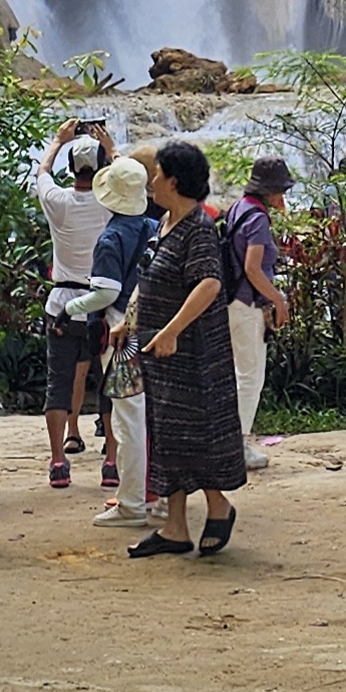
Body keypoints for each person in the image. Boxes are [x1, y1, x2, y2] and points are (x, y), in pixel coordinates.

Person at [129, 139, 244, 558]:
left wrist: (172, 331)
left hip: (193, 356)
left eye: (157, 174)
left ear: (174, 182)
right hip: (161, 355)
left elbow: (209, 283)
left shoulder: (197, 228)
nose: (152, 181)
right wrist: (131, 321)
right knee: (166, 435)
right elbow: (149, 279)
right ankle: (175, 527)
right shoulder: (163, 223)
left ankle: (218, 505)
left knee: (196, 433)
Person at [34, 120, 115, 492]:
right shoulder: (111, 204)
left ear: (71, 169)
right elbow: (130, 184)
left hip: (63, 306)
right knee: (110, 384)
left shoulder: (58, 203)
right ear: (101, 168)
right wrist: (111, 149)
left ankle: (58, 462)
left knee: (58, 384)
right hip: (104, 306)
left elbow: (42, 173)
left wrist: (58, 140)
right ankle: (111, 461)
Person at [80, 156, 160, 526]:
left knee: (128, 418)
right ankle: (154, 492)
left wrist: (74, 310)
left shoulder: (111, 238)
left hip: (120, 332)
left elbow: (105, 294)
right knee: (150, 414)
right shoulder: (155, 227)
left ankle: (131, 503)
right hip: (155, 326)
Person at [227, 155, 290, 470]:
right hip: (248, 305)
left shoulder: (239, 208)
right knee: (250, 376)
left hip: (230, 301)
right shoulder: (258, 219)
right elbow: (253, 267)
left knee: (235, 374)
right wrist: (278, 300)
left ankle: (227, 441)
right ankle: (237, 445)